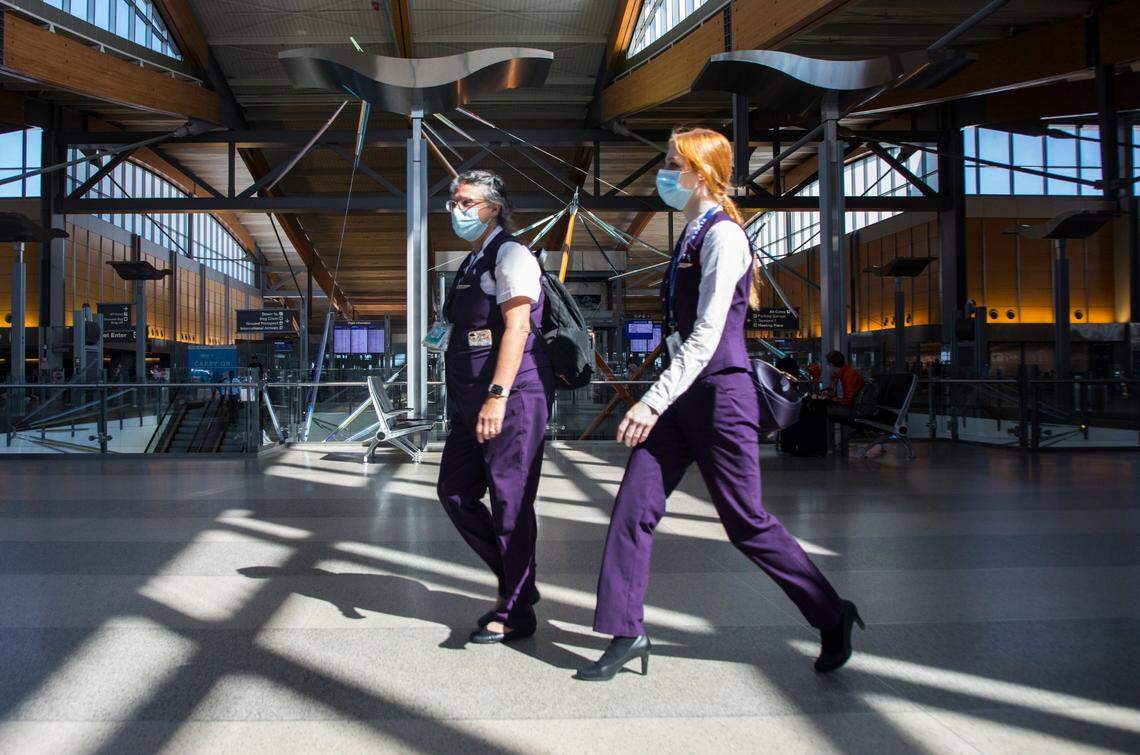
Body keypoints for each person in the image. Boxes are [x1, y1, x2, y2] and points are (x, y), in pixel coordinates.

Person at [576, 128, 861, 682]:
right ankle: (626, 628)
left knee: (745, 521)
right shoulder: (691, 234)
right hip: (684, 392)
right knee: (634, 506)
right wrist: (665, 395)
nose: (662, 173)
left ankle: (831, 612)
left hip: (719, 395)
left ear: (700, 173)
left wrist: (650, 401)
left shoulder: (724, 237)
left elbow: (707, 334)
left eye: (669, 163)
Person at [435, 170, 555, 645]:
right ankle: (519, 583)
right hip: (471, 401)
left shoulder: (512, 255)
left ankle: (517, 608)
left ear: (494, 207)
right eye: (453, 201)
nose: (456, 210)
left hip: (511, 397)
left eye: (466, 202)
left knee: (510, 503)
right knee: (455, 491)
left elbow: (519, 329)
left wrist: (498, 396)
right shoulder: (473, 261)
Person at [824, 350, 865, 423]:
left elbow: (848, 400)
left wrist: (833, 399)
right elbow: (837, 393)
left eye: (828, 364)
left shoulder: (849, 375)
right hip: (846, 405)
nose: (827, 366)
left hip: (853, 408)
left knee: (820, 409)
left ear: (831, 364)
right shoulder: (838, 375)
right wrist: (829, 395)